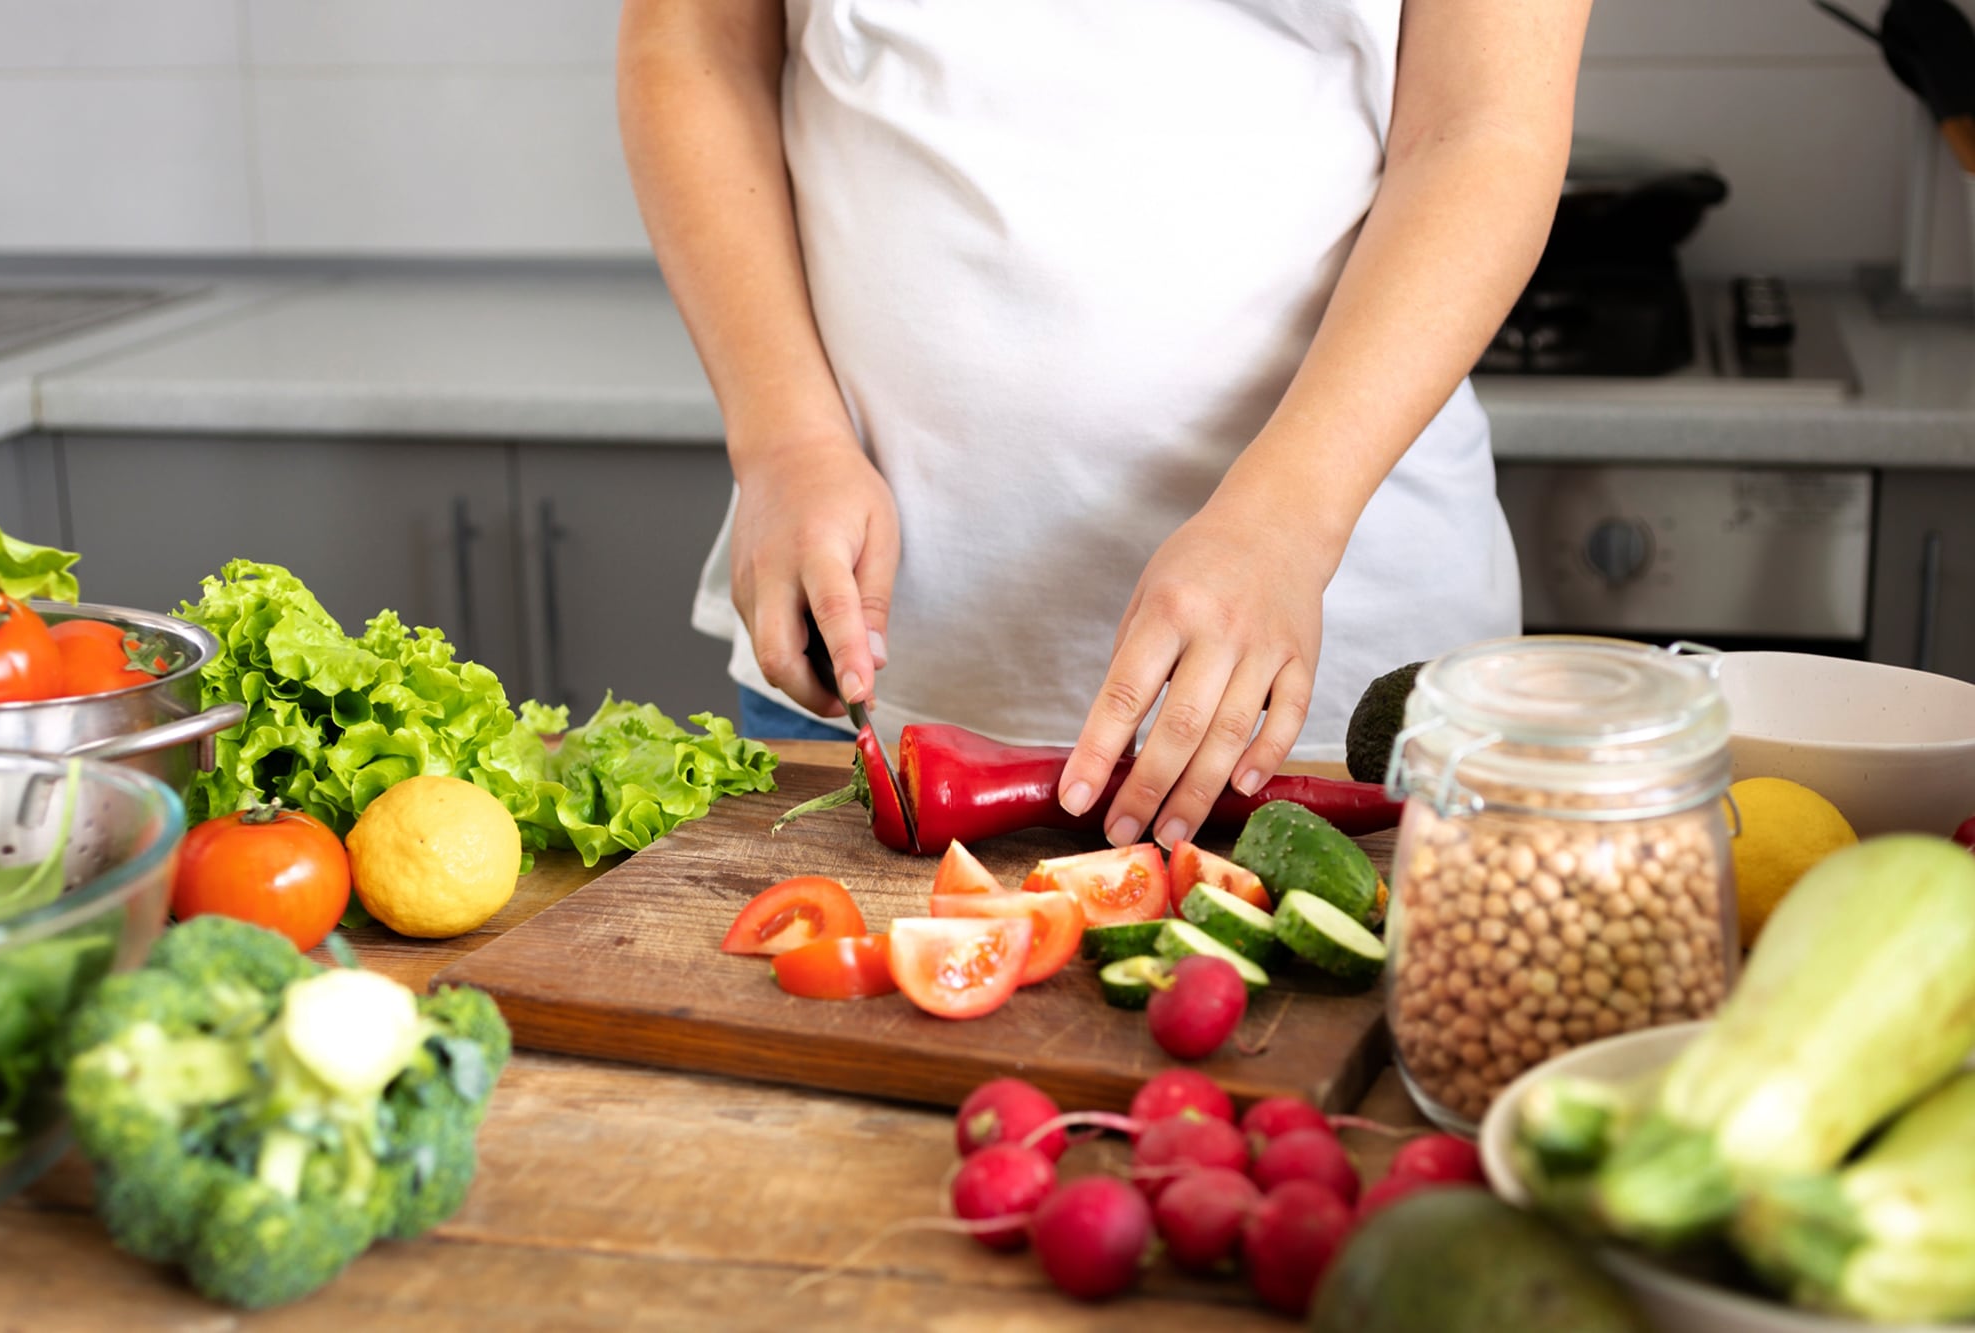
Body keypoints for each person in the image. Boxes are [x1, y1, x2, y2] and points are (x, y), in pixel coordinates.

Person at [617, 0, 1594, 849]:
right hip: (862, 681)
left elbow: (1483, 129)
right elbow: (693, 41)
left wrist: (1290, 519)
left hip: (1332, 710)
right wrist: (784, 439)